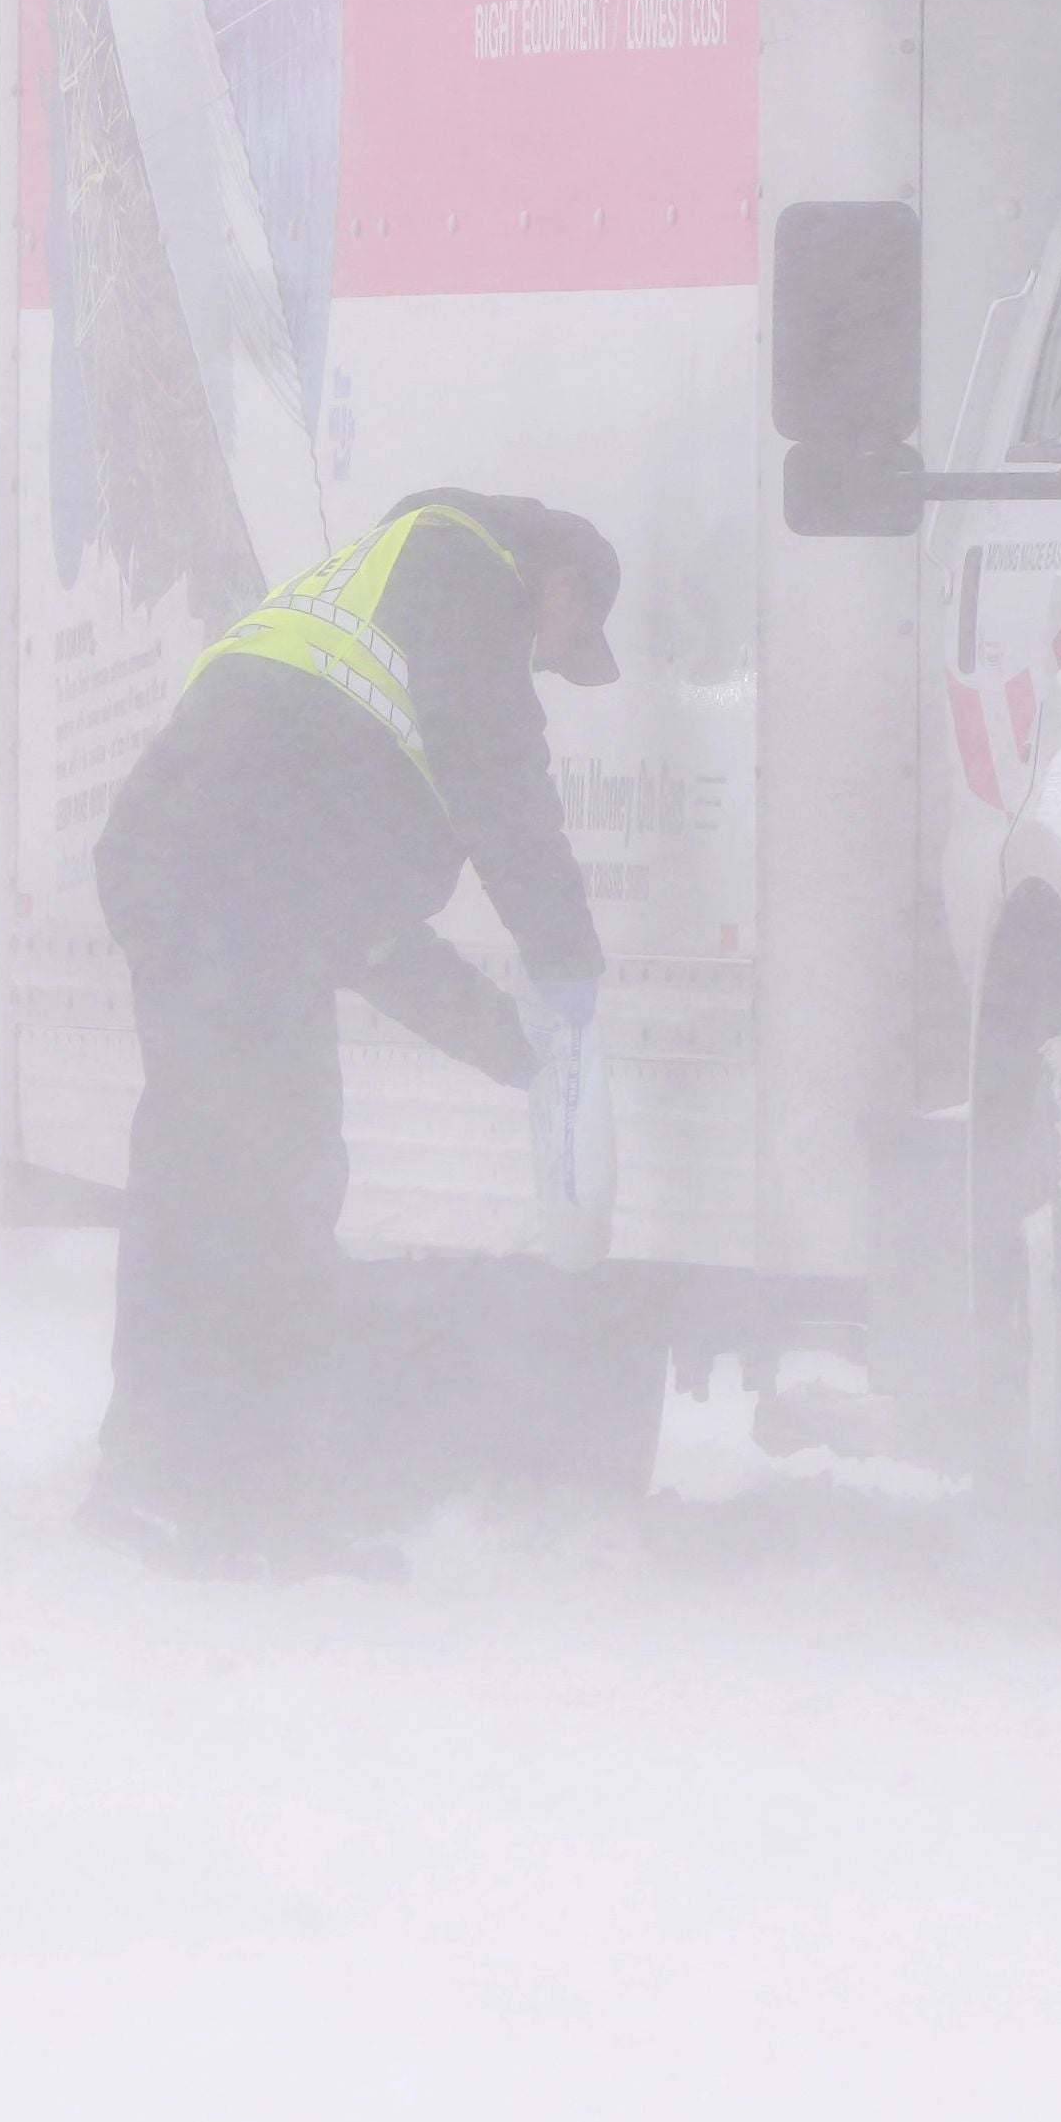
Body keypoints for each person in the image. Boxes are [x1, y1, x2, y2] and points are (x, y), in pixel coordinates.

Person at [84, 489, 621, 1573]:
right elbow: (502, 788)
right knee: (264, 1190)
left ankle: (162, 1478)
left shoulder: (376, 626)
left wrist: (516, 1051)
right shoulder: (464, 572)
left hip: (203, 881)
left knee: (206, 1182)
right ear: (560, 580)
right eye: (570, 644)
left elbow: (369, 941)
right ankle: (246, 1502)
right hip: (233, 895)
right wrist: (567, 967)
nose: (551, 667)